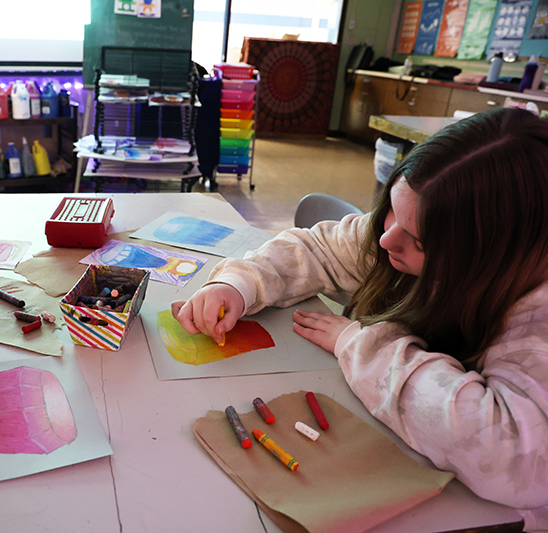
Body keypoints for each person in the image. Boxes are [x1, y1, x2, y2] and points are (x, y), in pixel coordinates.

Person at [173, 107, 548, 531]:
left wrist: (361, 344)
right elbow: (317, 249)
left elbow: (511, 455)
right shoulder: (401, 232)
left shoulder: (537, 317)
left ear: (489, 261)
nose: (388, 238)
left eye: (420, 240)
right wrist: (237, 285)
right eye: (391, 209)